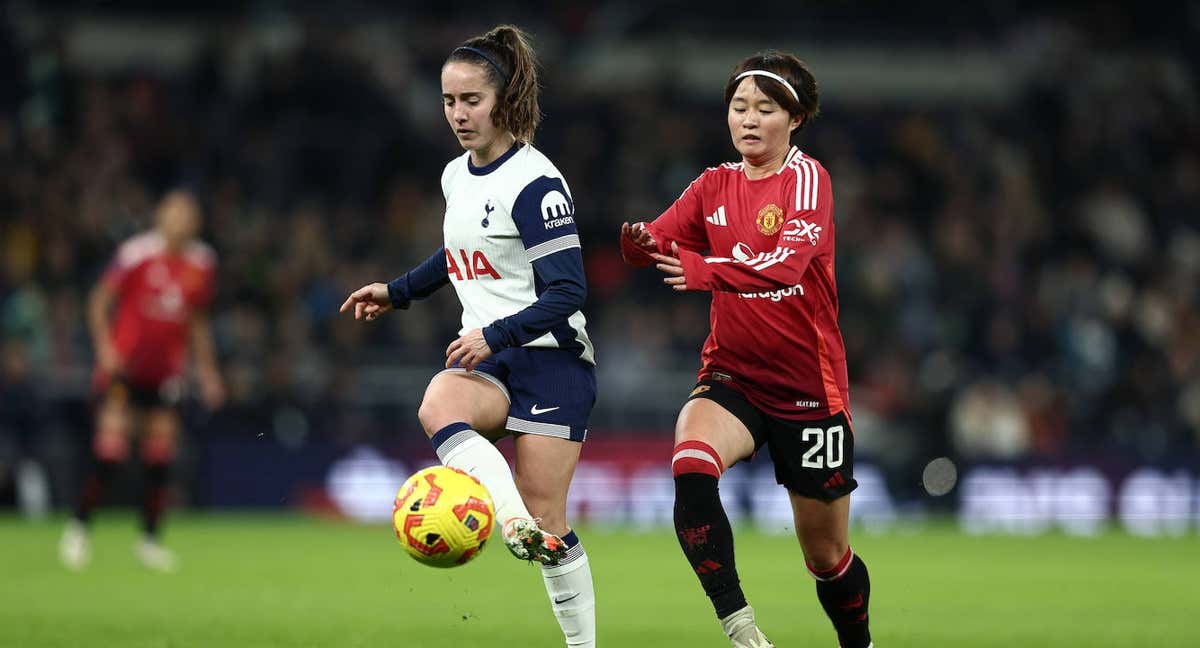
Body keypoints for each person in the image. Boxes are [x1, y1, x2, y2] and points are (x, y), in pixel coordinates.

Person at [340, 25, 597, 648]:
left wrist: (495, 334)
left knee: (551, 524)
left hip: (551, 360)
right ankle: (507, 521)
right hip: (491, 357)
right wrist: (397, 290)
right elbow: (459, 254)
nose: (458, 114)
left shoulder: (536, 182)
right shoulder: (457, 175)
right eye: (449, 101)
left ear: (503, 100)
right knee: (438, 403)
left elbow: (568, 294)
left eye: (471, 100)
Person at [620, 51, 873, 648]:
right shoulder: (713, 184)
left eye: (765, 108)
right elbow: (656, 241)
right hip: (733, 377)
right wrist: (639, 241)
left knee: (827, 556)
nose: (748, 120)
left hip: (809, 391)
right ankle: (739, 627)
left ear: (796, 118)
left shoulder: (808, 180)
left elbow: (786, 265)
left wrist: (704, 268)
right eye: (739, 107)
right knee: (690, 464)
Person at [59, 189, 225, 573]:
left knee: (160, 456)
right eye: (174, 212)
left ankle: (149, 540)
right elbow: (99, 300)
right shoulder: (136, 254)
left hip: (166, 372)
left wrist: (209, 372)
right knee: (111, 449)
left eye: (188, 214)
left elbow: (198, 322)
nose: (181, 220)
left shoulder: (202, 263)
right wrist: (104, 347)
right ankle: (79, 529)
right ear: (160, 216)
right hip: (126, 368)